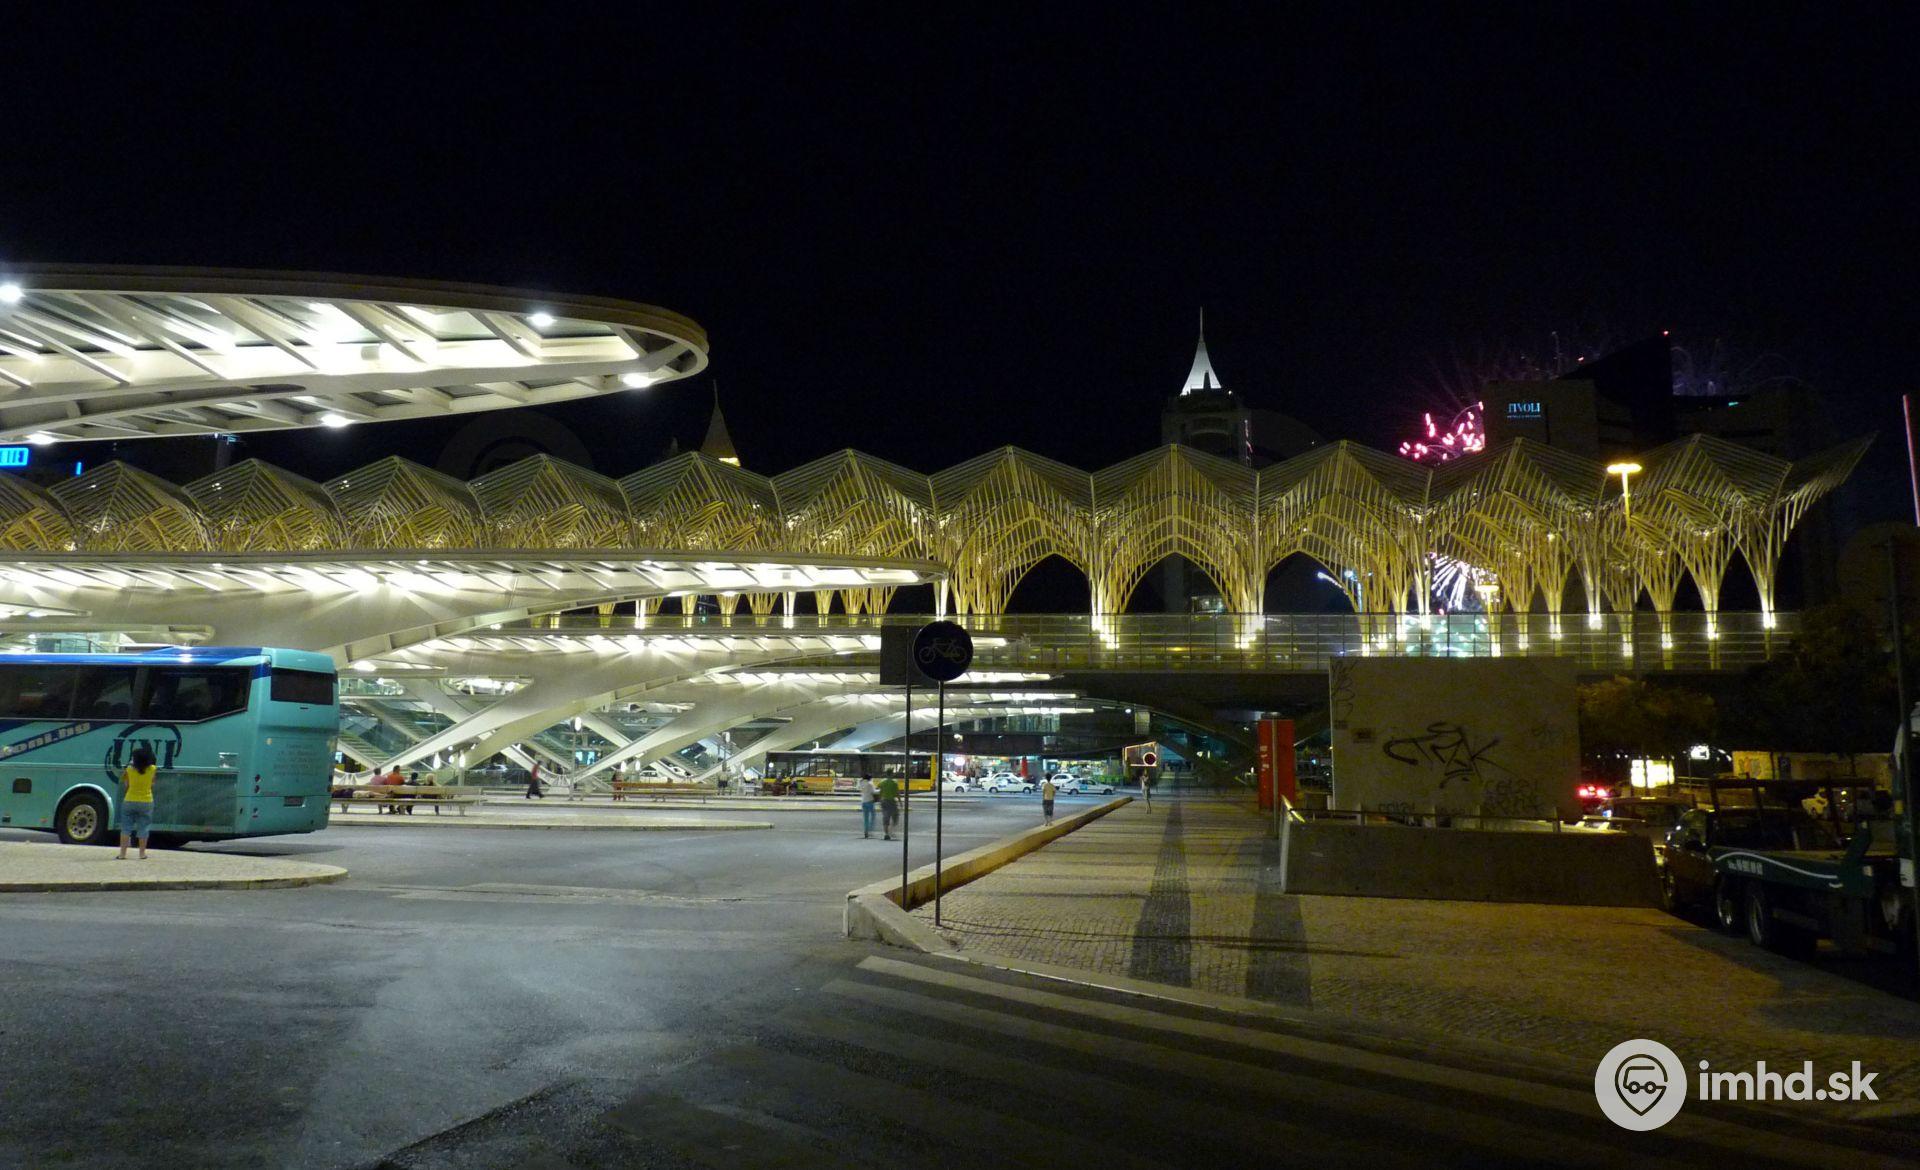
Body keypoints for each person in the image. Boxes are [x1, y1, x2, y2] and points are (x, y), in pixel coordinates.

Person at [115, 746, 158, 860]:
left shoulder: (129, 769)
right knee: (144, 827)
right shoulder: (153, 769)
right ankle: (142, 854)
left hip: (129, 800)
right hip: (146, 801)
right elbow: (152, 784)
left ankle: (122, 854)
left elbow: (126, 785)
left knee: (126, 828)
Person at [876, 774, 900, 841]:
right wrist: (900, 802)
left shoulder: (882, 782)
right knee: (895, 817)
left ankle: (886, 834)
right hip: (892, 802)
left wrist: (879, 800)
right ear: (892, 775)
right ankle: (890, 831)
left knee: (886, 818)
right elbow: (897, 793)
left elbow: (879, 791)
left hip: (884, 801)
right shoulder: (894, 783)